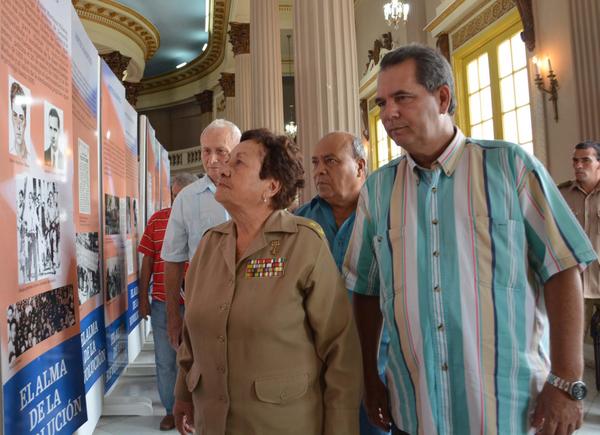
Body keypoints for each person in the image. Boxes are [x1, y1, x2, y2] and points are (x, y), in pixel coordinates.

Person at [343, 44, 596, 435]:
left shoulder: (509, 167)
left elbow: (563, 267)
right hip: (416, 408)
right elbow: (364, 289)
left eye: (402, 98)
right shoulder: (378, 190)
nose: (387, 113)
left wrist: (566, 381)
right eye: (381, 102)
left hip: (507, 411)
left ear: (442, 97)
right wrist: (370, 378)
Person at [173, 129, 362, 435]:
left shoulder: (304, 243)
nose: (222, 169)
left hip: (281, 423)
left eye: (238, 163)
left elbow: (341, 349)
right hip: (213, 422)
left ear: (271, 186)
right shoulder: (209, 244)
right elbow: (190, 335)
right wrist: (183, 393)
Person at [295, 132, 389, 435]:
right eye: (316, 162)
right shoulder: (300, 223)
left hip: (376, 361)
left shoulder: (386, 216)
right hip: (315, 366)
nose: (319, 170)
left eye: (331, 161)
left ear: (360, 167)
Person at [161, 119, 241, 350]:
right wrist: (174, 317)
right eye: (206, 151)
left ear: (237, 150)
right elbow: (173, 260)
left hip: (250, 304)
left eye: (221, 151)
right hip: (204, 306)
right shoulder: (186, 198)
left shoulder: (254, 191)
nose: (212, 159)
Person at [137, 172, 197, 431]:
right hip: (163, 301)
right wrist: (142, 298)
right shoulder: (157, 221)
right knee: (165, 359)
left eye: (182, 195)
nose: (178, 200)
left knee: (198, 357)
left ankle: (195, 407)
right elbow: (147, 261)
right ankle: (171, 409)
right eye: (175, 195)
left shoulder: (207, 217)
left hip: (199, 302)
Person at [558, 141, 600, 364]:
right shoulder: (561, 195)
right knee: (569, 345)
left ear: (598, 164)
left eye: (586, 160)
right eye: (576, 160)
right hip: (574, 281)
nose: (578, 165)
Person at [9, 81, 29, 161]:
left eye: (21, 117)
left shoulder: (31, 160)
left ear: (26, 121)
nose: (18, 125)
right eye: (14, 115)